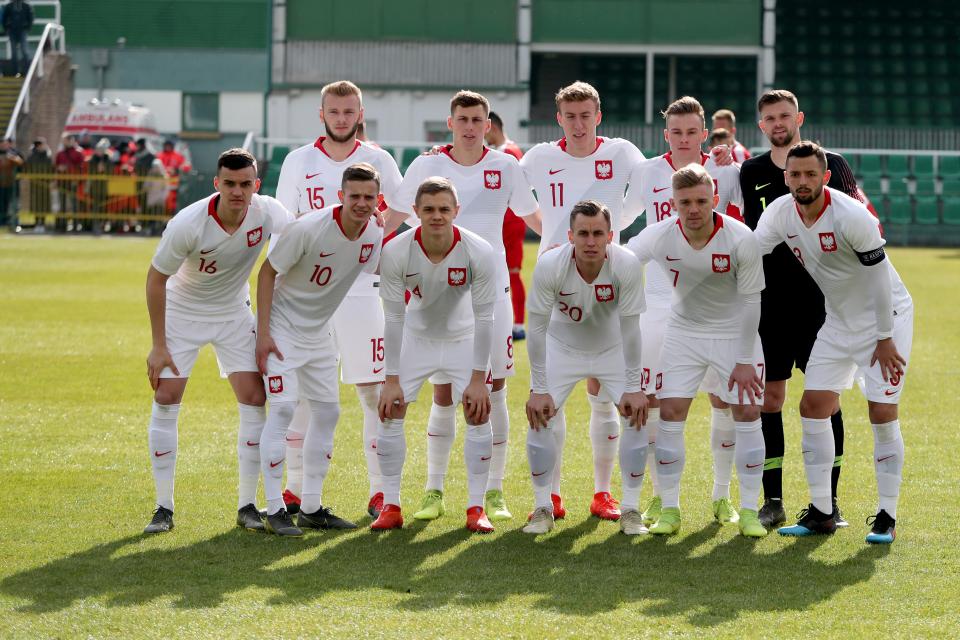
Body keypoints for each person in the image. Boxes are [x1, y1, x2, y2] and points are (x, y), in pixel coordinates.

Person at [382, 90, 541, 524]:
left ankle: (493, 493)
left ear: (488, 124)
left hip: (491, 295)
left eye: (478, 119)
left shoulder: (506, 166)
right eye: (463, 119)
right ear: (449, 123)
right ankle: (434, 489)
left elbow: (537, 221)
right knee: (443, 390)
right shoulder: (426, 166)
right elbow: (392, 219)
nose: (471, 126)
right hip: (435, 296)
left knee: (494, 391)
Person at [754, 142, 912, 544]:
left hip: (887, 319)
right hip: (839, 321)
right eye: (795, 175)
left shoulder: (851, 216)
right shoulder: (779, 213)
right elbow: (750, 253)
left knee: (881, 411)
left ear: (825, 177)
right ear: (785, 177)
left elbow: (878, 280)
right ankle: (822, 512)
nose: (802, 181)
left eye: (810, 174)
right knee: (813, 405)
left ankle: (886, 516)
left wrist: (884, 338)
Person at [142, 148, 294, 534]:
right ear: (217, 184)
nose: (238, 192)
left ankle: (247, 505)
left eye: (245, 184)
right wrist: (158, 345)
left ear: (256, 185)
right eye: (230, 184)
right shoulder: (188, 223)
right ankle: (163, 508)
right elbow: (156, 279)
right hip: (183, 313)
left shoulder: (267, 211)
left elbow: (303, 234)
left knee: (254, 397)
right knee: (166, 397)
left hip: (232, 313)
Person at [519, 81, 648, 523]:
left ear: (599, 114)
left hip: (608, 279)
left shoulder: (623, 153)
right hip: (559, 280)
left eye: (586, 114)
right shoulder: (538, 158)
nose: (578, 123)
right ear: (559, 118)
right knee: (546, 408)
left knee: (610, 402)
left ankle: (605, 494)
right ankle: (548, 499)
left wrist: (612, 232)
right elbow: (515, 198)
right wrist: (551, 234)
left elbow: (647, 193)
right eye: (570, 115)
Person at [275, 80, 403, 520]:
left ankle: (380, 491)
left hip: (361, 292)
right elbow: (283, 219)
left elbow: (403, 205)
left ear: (360, 113)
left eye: (350, 111)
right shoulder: (299, 159)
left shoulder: (380, 159)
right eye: (335, 111)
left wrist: (375, 236)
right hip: (308, 292)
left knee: (372, 391)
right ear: (322, 113)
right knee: (306, 394)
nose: (342, 118)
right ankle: (294, 490)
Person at [739, 89, 862, 529]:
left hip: (822, 304)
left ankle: (829, 501)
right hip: (770, 305)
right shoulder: (750, 170)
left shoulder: (833, 166)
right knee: (770, 398)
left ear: (799, 118)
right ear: (761, 126)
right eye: (770, 117)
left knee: (825, 399)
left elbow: (851, 223)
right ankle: (773, 500)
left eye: (785, 115)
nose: (778, 123)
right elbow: (749, 236)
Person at [626, 163, 768, 538]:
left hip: (735, 334)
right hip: (684, 333)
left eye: (701, 201)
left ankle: (749, 510)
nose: (693, 209)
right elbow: (622, 262)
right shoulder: (659, 235)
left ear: (715, 200)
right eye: (685, 202)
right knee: (671, 413)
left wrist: (742, 360)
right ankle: (670, 509)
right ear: (672, 203)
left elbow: (753, 302)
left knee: (748, 411)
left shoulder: (741, 239)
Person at [622, 95, 745, 528]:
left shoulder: (727, 169)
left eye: (693, 131)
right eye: (677, 132)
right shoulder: (647, 173)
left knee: (722, 401)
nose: (685, 139)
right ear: (666, 135)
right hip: (657, 301)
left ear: (704, 132)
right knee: (656, 402)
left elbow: (745, 227)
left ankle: (721, 495)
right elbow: (621, 219)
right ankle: (661, 498)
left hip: (715, 301)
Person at [255, 163, 385, 537]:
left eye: (369, 197)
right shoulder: (309, 228)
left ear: (378, 201)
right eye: (354, 196)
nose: (361, 204)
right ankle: (276, 508)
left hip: (319, 334)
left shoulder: (373, 232)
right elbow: (267, 273)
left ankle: (311, 506)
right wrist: (263, 335)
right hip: (283, 329)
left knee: (327, 413)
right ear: (340, 196)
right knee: (281, 411)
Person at [373, 177, 499, 533]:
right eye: (428, 209)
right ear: (415, 212)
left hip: (464, 340)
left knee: (478, 413)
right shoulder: (397, 251)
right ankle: (392, 505)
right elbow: (394, 318)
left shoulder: (479, 250)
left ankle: (476, 508)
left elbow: (485, 317)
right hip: (417, 340)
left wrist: (478, 378)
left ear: (456, 211)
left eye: (444, 209)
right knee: (391, 411)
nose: (437, 216)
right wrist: (391, 379)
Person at [523, 200, 648, 535]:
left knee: (636, 418)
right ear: (570, 236)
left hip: (612, 350)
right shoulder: (550, 264)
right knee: (540, 417)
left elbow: (632, 328)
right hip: (561, 348)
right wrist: (538, 387)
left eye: (597, 234)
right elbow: (534, 329)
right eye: (583, 234)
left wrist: (634, 387)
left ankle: (632, 510)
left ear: (610, 236)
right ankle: (542, 508)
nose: (590, 241)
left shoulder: (627, 264)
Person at [485, 110, 528, 341]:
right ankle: (511, 321)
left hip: (509, 222)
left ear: (492, 127)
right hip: (507, 221)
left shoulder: (507, 153)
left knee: (510, 274)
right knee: (504, 274)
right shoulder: (511, 149)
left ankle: (518, 324)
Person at [23, 137, 51, 231]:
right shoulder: (32, 157)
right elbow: (27, 169)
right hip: (35, 184)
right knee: (36, 204)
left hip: (45, 184)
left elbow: (50, 168)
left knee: (44, 203)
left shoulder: (47, 155)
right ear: (39, 145)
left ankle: (42, 223)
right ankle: (37, 222)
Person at [157, 140, 192, 215]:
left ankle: (171, 216)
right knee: (160, 203)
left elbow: (187, 167)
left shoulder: (177, 156)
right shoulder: (159, 156)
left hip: (173, 185)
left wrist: (176, 169)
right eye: (166, 145)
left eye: (169, 145)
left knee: (172, 203)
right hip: (160, 185)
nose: (168, 147)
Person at [1, 0, 33, 76]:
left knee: (25, 51)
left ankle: (27, 72)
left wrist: (27, 27)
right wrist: (7, 28)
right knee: (14, 53)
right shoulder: (9, 6)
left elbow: (30, 18)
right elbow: (4, 19)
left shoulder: (26, 6)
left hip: (22, 31)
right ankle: (15, 72)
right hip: (12, 31)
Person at [0, 137, 23, 226]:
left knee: (14, 205)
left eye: (5, 144)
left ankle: (14, 223)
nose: (3, 146)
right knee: (2, 206)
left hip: (12, 185)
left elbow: (20, 163)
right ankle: (2, 222)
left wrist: (13, 158)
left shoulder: (14, 154)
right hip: (1, 185)